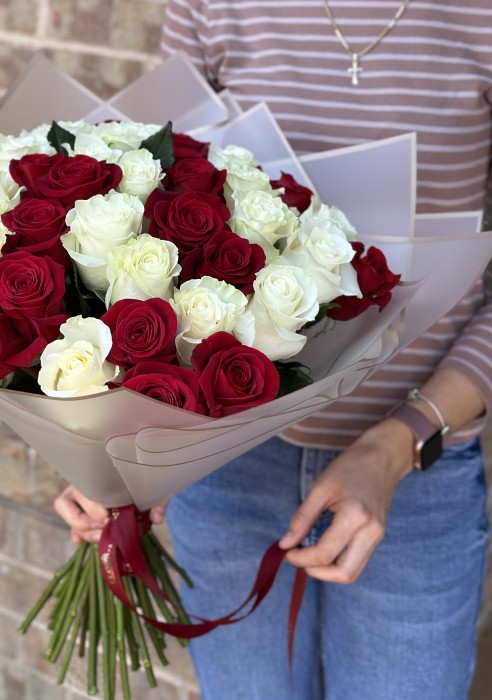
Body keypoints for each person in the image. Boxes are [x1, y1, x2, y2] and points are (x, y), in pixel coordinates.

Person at [55, 2, 492, 698]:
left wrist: (401, 441)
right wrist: (111, 438)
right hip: (226, 468)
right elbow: (150, 210)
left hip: (417, 476)